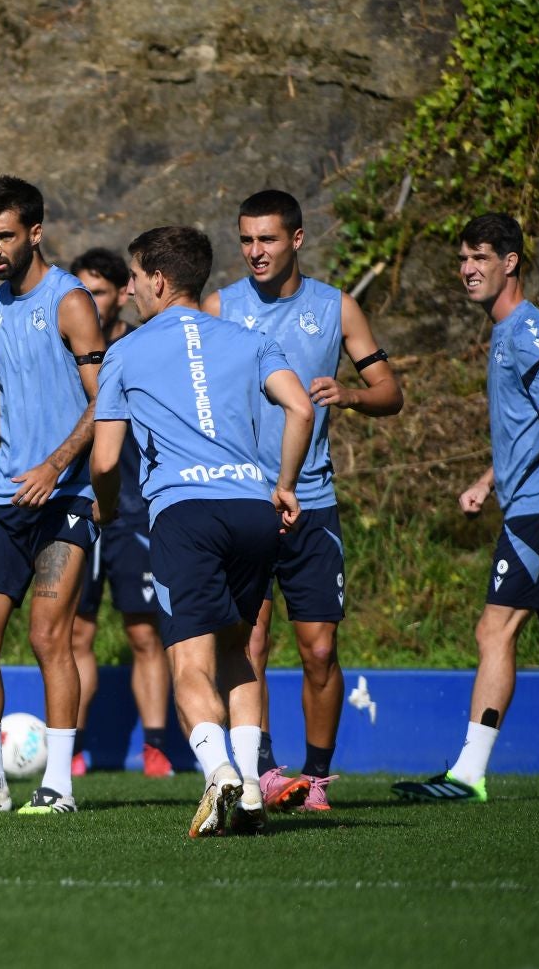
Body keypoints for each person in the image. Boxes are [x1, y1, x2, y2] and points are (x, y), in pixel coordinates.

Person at [91, 225, 314, 837]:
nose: (131, 289)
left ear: (158, 280)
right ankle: (248, 793)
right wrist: (286, 483)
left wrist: (107, 509)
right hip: (253, 507)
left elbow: (106, 460)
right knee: (238, 653)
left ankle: (219, 772)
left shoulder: (127, 351)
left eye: (134, 278)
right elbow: (301, 407)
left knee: (189, 659)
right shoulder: (248, 338)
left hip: (186, 514)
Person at [205, 190, 404, 813]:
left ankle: (315, 780)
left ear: (296, 239)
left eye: (266, 239)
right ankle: (263, 772)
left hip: (313, 503)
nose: (254, 252)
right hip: (245, 501)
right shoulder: (220, 307)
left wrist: (349, 396)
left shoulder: (336, 308)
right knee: (251, 643)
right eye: (245, 240)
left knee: (319, 649)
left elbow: (390, 392)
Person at [0, 176, 106, 815]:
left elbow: (103, 400)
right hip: (6, 501)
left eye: (4, 234)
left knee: (47, 637)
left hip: (65, 499)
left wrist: (56, 464)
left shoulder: (71, 302)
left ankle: (57, 784)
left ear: (35, 232)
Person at [393, 214, 539, 802]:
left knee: (491, 630)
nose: (468, 269)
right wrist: (486, 479)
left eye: (480, 257)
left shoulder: (529, 332)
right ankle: (469, 772)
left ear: (511, 262)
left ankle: (469, 774)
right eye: (463, 258)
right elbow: (532, 429)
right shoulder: (506, 332)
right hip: (527, 503)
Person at [66, 247, 173, 779]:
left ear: (121, 293)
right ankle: (74, 748)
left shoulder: (140, 344)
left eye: (101, 290)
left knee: (144, 634)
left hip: (133, 509)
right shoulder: (63, 344)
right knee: (76, 633)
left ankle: (155, 746)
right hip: (76, 507)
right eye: (82, 291)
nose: (91, 301)